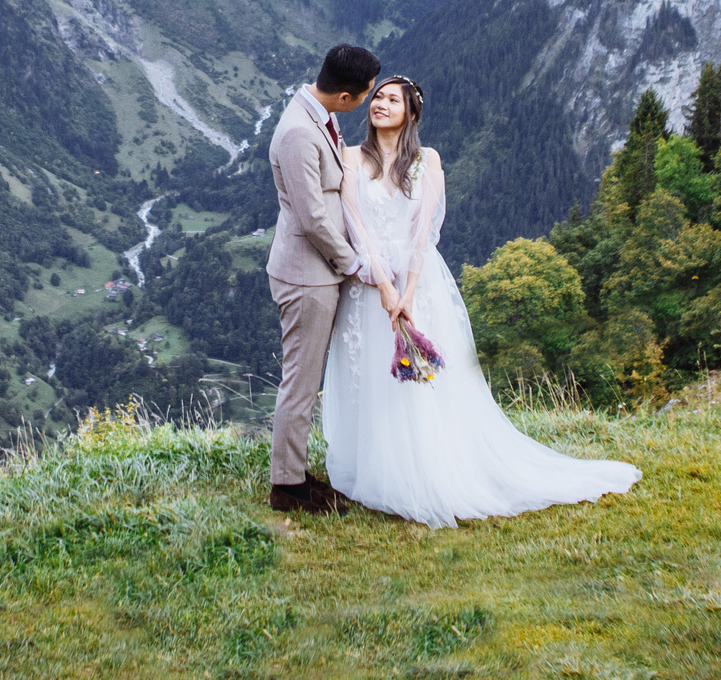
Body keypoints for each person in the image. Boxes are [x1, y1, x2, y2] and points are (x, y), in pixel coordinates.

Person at [323, 75, 641, 528]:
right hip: (368, 282)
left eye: (393, 99)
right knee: (371, 372)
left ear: (411, 113)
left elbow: (423, 231)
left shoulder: (426, 160)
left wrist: (408, 291)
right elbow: (355, 224)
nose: (380, 104)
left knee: (419, 381)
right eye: (377, 97)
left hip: (418, 279)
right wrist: (383, 285)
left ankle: (426, 468)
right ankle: (376, 467)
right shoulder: (350, 157)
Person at [264, 43, 383, 514]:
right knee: (301, 379)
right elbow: (313, 218)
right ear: (347, 97)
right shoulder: (298, 132)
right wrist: (351, 262)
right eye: (366, 95)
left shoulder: (313, 115)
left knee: (306, 377)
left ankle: (294, 474)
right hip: (307, 275)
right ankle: (287, 488)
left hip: (315, 271)